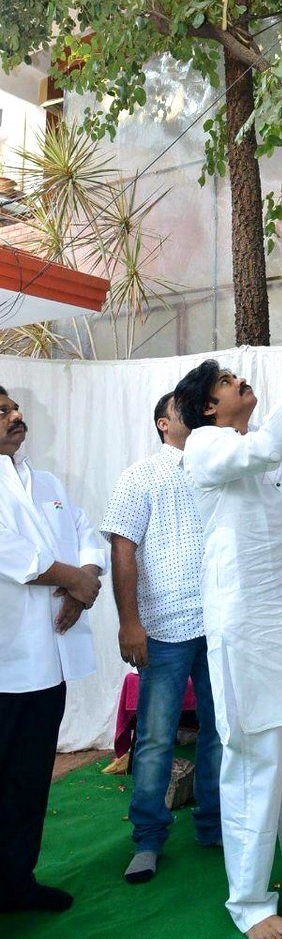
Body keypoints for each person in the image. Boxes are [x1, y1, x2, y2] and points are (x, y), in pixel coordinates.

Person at [174, 285, 282, 939]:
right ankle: (250, 906)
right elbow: (271, 441)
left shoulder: (265, 454)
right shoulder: (208, 450)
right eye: (227, 379)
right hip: (248, 638)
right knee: (255, 770)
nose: (241, 380)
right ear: (207, 406)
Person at [101, 391, 222, 884]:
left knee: (220, 732)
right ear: (162, 423)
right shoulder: (139, 476)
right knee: (154, 739)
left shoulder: (217, 469)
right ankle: (149, 838)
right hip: (164, 629)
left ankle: (213, 825)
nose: (194, 414)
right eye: (182, 409)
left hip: (219, 624)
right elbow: (122, 551)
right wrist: (130, 623)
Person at [0, 386, 107, 914]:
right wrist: (77, 583)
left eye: (14, 408)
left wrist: (85, 581)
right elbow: (15, 554)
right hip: (7, 660)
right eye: (2, 412)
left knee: (28, 779)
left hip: (52, 657)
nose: (16, 416)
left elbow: (87, 533)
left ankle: (17, 882)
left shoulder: (43, 481)